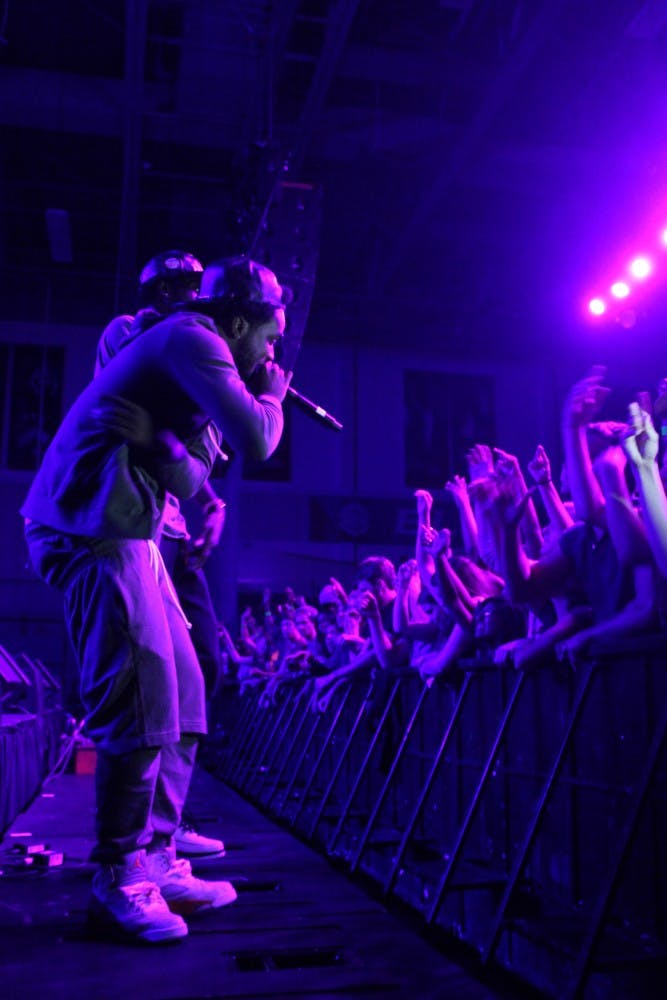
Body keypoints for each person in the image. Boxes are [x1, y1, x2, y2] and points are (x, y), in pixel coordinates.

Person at [21, 255, 292, 943]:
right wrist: (272, 392)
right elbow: (256, 441)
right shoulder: (193, 342)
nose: (271, 353)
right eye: (268, 338)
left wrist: (186, 443)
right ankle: (118, 877)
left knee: (188, 691)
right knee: (139, 702)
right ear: (238, 321)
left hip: (130, 528)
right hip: (88, 524)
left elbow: (191, 479)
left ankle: (159, 856)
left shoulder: (193, 358)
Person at [95, 250, 228, 859]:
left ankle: (165, 830)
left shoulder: (194, 344)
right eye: (173, 288)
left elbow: (195, 446)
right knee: (151, 681)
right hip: (133, 528)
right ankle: (136, 847)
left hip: (171, 531)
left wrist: (212, 506)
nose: (184, 297)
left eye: (192, 289)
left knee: (202, 667)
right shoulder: (131, 331)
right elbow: (139, 401)